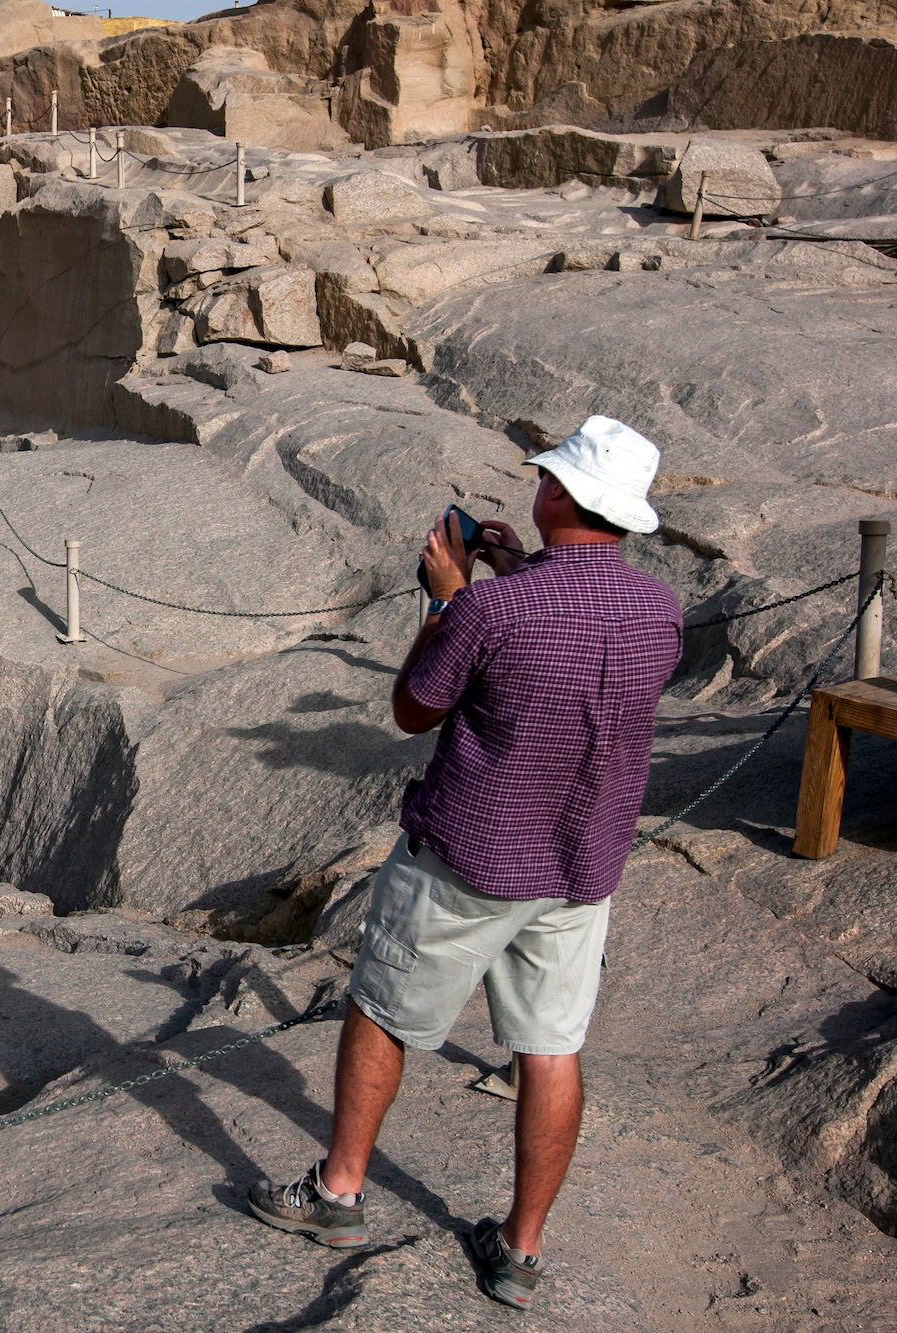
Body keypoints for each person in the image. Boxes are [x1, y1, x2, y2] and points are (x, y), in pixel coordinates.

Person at [245, 416, 684, 1311]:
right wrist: (520, 570)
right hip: (581, 865)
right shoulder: (660, 611)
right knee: (552, 1049)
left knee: (379, 1009)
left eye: (549, 475)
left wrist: (449, 599)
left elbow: (414, 707)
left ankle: (338, 1193)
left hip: (470, 859)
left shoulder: (493, 608)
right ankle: (519, 1252)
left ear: (559, 493)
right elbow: (576, 643)